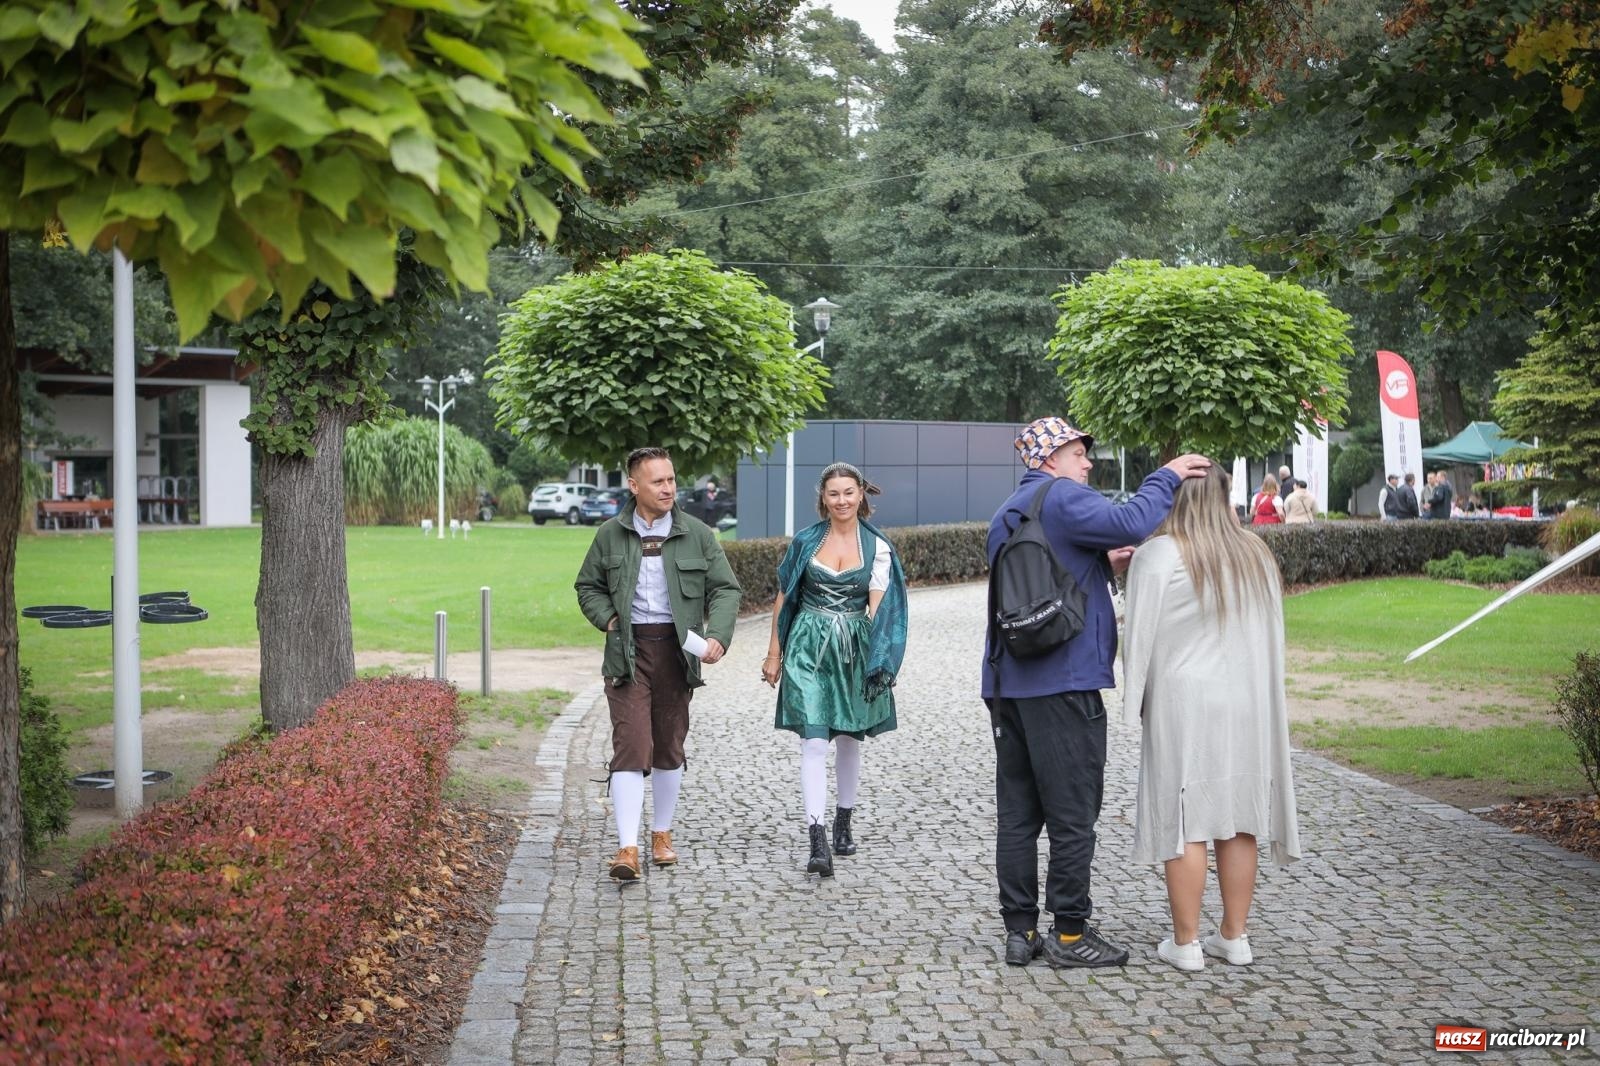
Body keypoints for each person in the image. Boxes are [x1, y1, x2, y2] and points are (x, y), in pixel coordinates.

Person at [983, 416, 1209, 970]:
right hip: (1064, 684)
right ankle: (1069, 935)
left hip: (1008, 685)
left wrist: (1097, 565)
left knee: (1018, 813)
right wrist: (1167, 475)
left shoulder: (1006, 513)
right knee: (1072, 812)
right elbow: (1131, 519)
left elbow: (1042, 579)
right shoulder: (1061, 496)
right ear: (1051, 457)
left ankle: (1021, 932)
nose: (1088, 463)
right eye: (1080, 453)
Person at [1121, 463, 1301, 973]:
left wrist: (1134, 702)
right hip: (1246, 699)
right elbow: (1273, 638)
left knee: (1186, 821)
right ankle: (1235, 935)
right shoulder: (1256, 554)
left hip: (1182, 701)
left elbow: (1138, 640)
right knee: (1239, 813)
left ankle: (1186, 942)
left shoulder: (1159, 556)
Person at [575, 446, 741, 882]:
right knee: (630, 746)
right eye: (658, 481)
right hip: (628, 652)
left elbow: (726, 589)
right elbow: (587, 585)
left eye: (671, 480)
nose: (669, 488)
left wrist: (718, 636)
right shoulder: (610, 534)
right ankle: (627, 847)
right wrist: (609, 620)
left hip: (677, 651)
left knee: (669, 747)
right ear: (634, 486)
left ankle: (661, 835)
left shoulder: (698, 534)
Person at [763, 462, 907, 878]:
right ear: (822, 499)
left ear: (861, 494)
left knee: (848, 736)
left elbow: (880, 607)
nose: (841, 500)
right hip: (807, 644)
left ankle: (844, 819)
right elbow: (783, 596)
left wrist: (881, 660)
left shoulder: (878, 547)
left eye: (848, 492)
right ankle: (817, 836)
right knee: (813, 737)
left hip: (854, 646)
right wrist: (774, 653)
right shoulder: (805, 542)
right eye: (833, 494)